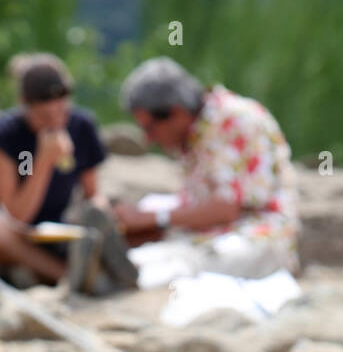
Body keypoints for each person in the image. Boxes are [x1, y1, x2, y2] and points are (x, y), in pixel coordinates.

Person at [113, 58, 300, 283]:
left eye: (150, 128)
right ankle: (119, 267)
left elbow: (226, 208)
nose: (148, 139)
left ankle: (125, 276)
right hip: (208, 237)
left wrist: (155, 218)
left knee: (188, 265)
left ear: (177, 112)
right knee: (162, 255)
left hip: (259, 238)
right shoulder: (195, 132)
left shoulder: (234, 119)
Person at [0, 53, 136, 294]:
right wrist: (44, 160)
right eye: (45, 116)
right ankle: (73, 277)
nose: (56, 122)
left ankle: (102, 264)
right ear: (25, 106)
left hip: (58, 228)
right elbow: (18, 215)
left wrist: (100, 212)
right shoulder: (7, 136)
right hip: (17, 233)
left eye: (61, 114)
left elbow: (92, 194)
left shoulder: (80, 127)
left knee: (113, 215)